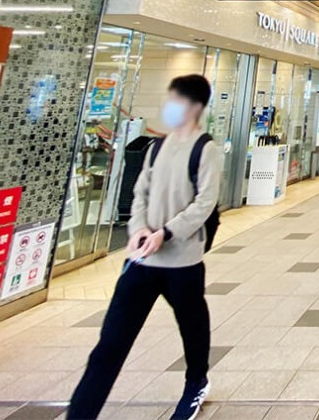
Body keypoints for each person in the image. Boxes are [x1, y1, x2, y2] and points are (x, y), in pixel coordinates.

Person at [68, 74, 221, 420]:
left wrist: (164, 234)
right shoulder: (155, 147)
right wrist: (137, 230)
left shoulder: (205, 148)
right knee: (111, 343)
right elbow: (140, 193)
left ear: (195, 106)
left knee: (192, 326)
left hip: (182, 262)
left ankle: (196, 381)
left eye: (176, 101)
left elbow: (205, 203)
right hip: (141, 263)